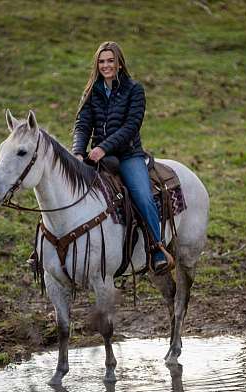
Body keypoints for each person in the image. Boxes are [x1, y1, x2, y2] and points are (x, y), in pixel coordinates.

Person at [72, 41, 173, 274]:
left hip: (128, 155)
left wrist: (104, 148)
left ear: (119, 64)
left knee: (143, 195)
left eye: (110, 61)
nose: (106, 65)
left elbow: (131, 126)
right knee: (69, 188)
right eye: (101, 61)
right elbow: (82, 124)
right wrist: (78, 151)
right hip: (98, 156)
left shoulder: (134, 89)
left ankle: (156, 249)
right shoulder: (91, 91)